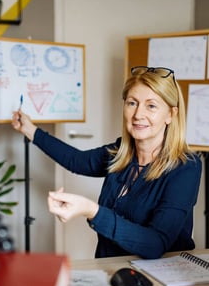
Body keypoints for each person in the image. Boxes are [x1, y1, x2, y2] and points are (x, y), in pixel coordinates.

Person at [12, 66, 202, 259]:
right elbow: (76, 161)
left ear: (171, 114)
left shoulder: (186, 166)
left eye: (151, 106)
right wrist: (30, 130)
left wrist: (91, 211)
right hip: (112, 268)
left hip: (161, 278)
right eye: (132, 103)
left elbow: (155, 244)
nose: (138, 114)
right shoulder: (120, 152)